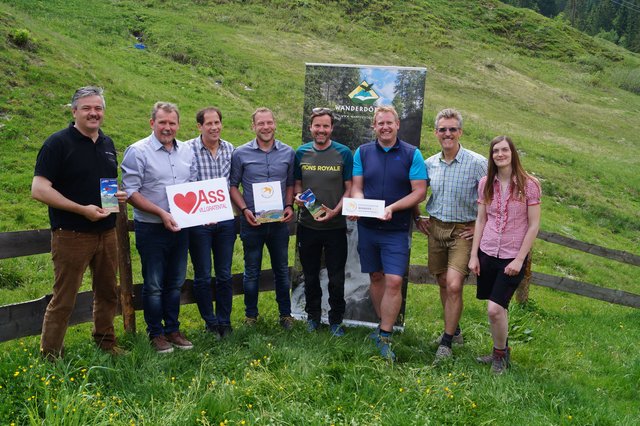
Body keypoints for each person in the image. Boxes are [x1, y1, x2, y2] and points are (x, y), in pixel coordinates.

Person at [31, 86, 127, 359]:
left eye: (98, 108)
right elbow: (39, 189)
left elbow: (101, 184)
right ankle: (50, 356)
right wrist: (80, 209)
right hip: (71, 233)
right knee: (64, 298)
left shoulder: (107, 144)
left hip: (106, 231)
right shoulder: (57, 143)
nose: (93, 113)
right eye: (87, 108)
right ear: (74, 111)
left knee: (108, 292)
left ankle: (106, 344)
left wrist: (116, 196)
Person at [351, 106, 427, 360]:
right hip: (368, 227)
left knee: (394, 280)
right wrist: (358, 205)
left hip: (395, 228)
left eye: (389, 123)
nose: (385, 127)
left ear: (397, 125)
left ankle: (385, 335)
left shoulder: (411, 154)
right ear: (374, 126)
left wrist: (392, 208)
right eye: (380, 123)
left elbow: (419, 192)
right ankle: (381, 328)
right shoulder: (362, 152)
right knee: (375, 277)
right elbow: (358, 187)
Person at [121, 102, 197, 354]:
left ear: (178, 125)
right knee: (153, 283)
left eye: (172, 123)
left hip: (181, 228)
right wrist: (161, 213)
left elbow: (193, 186)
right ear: (152, 123)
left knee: (175, 281)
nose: (167, 127)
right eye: (162, 122)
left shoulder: (187, 150)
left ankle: (173, 329)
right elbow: (130, 191)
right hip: (152, 227)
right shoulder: (138, 151)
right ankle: (155, 333)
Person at [415, 108, 487, 362]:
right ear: (436, 133)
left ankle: (445, 343)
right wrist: (417, 216)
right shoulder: (429, 163)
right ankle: (454, 330)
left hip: (462, 232)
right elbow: (418, 192)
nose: (447, 134)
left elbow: (490, 199)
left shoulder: (477, 163)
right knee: (443, 282)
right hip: (436, 228)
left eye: (452, 129)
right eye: (443, 130)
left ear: (460, 132)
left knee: (455, 285)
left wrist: (479, 227)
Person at [468, 135, 541, 374]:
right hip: (488, 252)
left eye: (504, 150)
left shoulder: (529, 184)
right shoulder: (485, 183)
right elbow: (481, 219)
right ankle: (502, 350)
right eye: (495, 151)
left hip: (513, 256)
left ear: (513, 153)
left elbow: (533, 225)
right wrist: (474, 255)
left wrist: (520, 259)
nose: (500, 154)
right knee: (499, 309)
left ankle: (499, 356)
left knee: (494, 309)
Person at [229, 107, 296, 330]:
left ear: (275, 124)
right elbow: (233, 186)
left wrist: (289, 205)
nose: (265, 127)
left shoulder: (288, 152)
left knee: (281, 270)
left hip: (278, 223)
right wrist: (244, 209)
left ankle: (285, 315)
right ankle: (251, 316)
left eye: (269, 123)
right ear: (253, 126)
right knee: (251, 271)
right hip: (252, 222)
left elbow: (289, 185)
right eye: (261, 124)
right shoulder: (240, 153)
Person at [293, 108, 353, 337]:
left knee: (336, 279)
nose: (321, 130)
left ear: (331, 128)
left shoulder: (344, 153)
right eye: (317, 126)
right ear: (311, 127)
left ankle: (336, 320)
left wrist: (336, 212)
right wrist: (298, 197)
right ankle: (313, 318)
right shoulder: (301, 153)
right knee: (310, 276)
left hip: (335, 227)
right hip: (308, 225)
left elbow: (349, 189)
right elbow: (297, 184)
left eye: (325, 126)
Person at [186, 107, 236, 339]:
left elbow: (233, 184)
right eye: (209, 124)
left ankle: (225, 321)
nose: (214, 127)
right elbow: (185, 185)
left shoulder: (230, 149)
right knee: (203, 274)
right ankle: (211, 322)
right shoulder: (187, 150)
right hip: (199, 223)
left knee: (225, 273)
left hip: (225, 221)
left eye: (217, 122)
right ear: (199, 126)